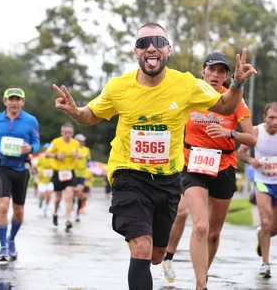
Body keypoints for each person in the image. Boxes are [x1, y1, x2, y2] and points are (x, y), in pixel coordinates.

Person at [52, 22, 256, 290]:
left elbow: (227, 106)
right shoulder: (118, 87)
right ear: (135, 52)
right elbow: (90, 115)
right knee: (141, 246)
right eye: (142, 43)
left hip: (168, 179)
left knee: (157, 255)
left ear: (168, 50)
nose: (150, 47)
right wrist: (75, 111)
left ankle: (149, 255)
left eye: (158, 42)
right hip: (128, 173)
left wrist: (238, 82)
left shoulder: (185, 84)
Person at [161, 51, 256, 289]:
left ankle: (202, 276)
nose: (215, 74)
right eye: (211, 69)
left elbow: (252, 138)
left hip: (224, 168)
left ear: (226, 76)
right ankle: (196, 281)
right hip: (192, 165)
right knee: (199, 225)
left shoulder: (234, 100)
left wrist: (230, 133)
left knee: (213, 233)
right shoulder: (190, 93)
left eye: (221, 71)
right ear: (203, 71)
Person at [0, 87, 40, 265]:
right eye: (11, 99)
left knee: (18, 210)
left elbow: (36, 142)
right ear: (4, 101)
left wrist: (30, 149)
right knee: (2, 206)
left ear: (22, 102)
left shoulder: (31, 121)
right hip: (1, 166)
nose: (14, 102)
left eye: (18, 99)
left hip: (21, 168)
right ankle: (2, 248)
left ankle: (11, 240)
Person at [237, 102, 277, 278]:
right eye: (271, 118)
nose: (275, 122)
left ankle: (262, 235)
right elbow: (241, 153)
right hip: (262, 182)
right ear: (264, 118)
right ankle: (265, 264)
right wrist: (251, 161)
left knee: (272, 227)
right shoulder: (256, 131)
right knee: (266, 220)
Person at [46, 123, 80, 231]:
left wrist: (77, 156)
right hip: (58, 172)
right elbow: (47, 154)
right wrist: (56, 156)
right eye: (66, 132)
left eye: (70, 133)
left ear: (72, 133)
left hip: (70, 172)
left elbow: (78, 154)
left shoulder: (75, 143)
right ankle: (55, 212)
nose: (68, 135)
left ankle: (68, 220)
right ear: (62, 133)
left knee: (69, 195)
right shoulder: (56, 142)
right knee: (58, 198)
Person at [73, 133, 92, 221]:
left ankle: (77, 212)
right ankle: (72, 206)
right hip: (73, 173)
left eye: (83, 141)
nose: (82, 142)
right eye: (80, 141)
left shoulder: (86, 149)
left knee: (80, 194)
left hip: (82, 174)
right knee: (72, 193)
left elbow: (89, 160)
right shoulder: (72, 148)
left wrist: (88, 166)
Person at [35, 143, 54, 216]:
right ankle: (41, 199)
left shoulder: (53, 157)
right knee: (43, 195)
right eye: (47, 149)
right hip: (42, 179)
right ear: (45, 149)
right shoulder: (41, 157)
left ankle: (45, 207)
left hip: (50, 179)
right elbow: (35, 166)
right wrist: (37, 173)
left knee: (48, 194)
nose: (48, 151)